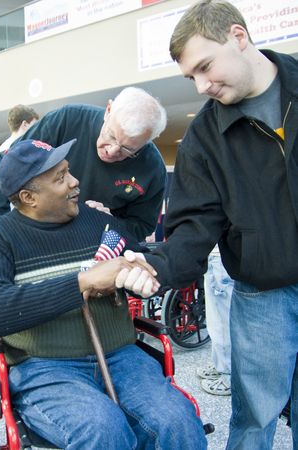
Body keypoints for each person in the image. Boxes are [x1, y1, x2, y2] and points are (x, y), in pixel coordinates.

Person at [0, 138, 207, 450]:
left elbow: (147, 261)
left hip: (121, 355)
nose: (75, 181)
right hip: (45, 368)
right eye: (60, 178)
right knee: (103, 429)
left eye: (69, 171)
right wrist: (83, 282)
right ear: (28, 197)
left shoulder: (99, 221)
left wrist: (146, 276)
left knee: (178, 419)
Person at [142, 0, 298, 447]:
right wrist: (153, 265)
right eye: (191, 76)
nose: (201, 85)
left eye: (205, 67)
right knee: (254, 418)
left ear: (238, 35)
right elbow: (192, 229)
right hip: (263, 295)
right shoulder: (203, 139)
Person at [0, 87, 167, 242]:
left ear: (150, 140)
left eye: (127, 149)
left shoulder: (153, 168)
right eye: (110, 136)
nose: (111, 151)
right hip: (40, 231)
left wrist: (111, 222)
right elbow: (7, 165)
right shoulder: (68, 119)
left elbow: (142, 225)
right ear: (108, 110)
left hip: (96, 246)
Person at [196, 246, 233, 396]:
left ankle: (228, 375)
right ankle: (221, 365)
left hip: (219, 255)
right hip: (218, 254)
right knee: (216, 316)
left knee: (221, 319)